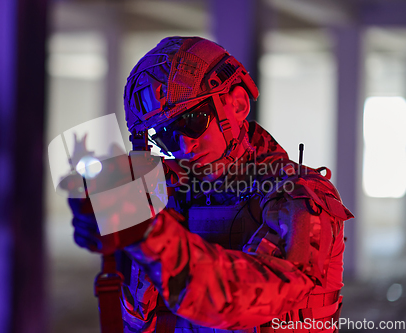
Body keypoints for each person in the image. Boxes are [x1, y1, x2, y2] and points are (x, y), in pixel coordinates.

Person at [69, 36, 354, 333]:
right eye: (166, 135)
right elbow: (136, 318)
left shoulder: (299, 197)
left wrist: (151, 236)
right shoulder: (168, 192)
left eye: (193, 120)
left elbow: (248, 300)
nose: (184, 146)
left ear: (239, 104)